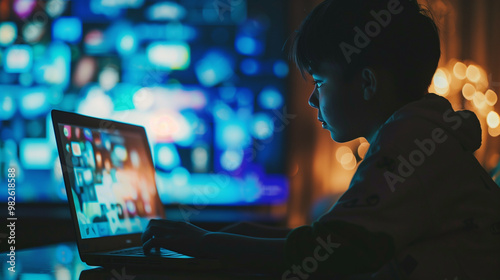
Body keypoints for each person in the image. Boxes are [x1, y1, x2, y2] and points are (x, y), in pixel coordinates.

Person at [141, 0, 500, 278]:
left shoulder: (408, 141)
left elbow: (335, 253)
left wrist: (207, 244)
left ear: (368, 83)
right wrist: (250, 235)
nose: (312, 99)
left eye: (319, 81)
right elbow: (343, 236)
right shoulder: (424, 130)